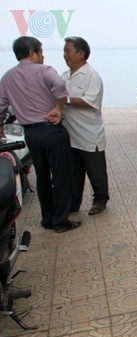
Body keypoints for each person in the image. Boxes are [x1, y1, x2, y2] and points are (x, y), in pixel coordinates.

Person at [0, 36, 80, 233]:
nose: (43, 56)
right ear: (32, 53)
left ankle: (48, 218)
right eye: (41, 52)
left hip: (31, 135)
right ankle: (61, 221)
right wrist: (59, 108)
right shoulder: (45, 71)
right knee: (61, 176)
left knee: (42, 177)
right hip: (51, 129)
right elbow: (60, 87)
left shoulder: (8, 77)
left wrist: (0, 129)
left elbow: (1, 107)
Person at [62, 36, 109, 216]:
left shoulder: (91, 76)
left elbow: (91, 101)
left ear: (81, 54)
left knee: (96, 172)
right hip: (70, 135)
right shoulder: (65, 76)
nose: (65, 55)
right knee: (74, 173)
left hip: (89, 134)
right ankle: (73, 204)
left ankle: (100, 200)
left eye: (68, 51)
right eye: (64, 51)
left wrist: (64, 99)